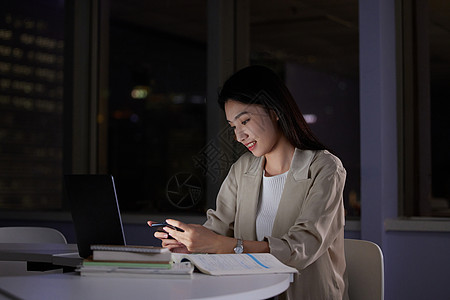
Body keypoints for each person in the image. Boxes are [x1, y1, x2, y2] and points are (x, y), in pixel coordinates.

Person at [148, 65, 348, 300]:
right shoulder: (242, 169)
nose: (238, 136)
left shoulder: (325, 168)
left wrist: (223, 245)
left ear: (275, 111)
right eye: (233, 126)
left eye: (245, 121)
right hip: (249, 293)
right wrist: (192, 247)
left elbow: (302, 247)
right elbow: (218, 230)